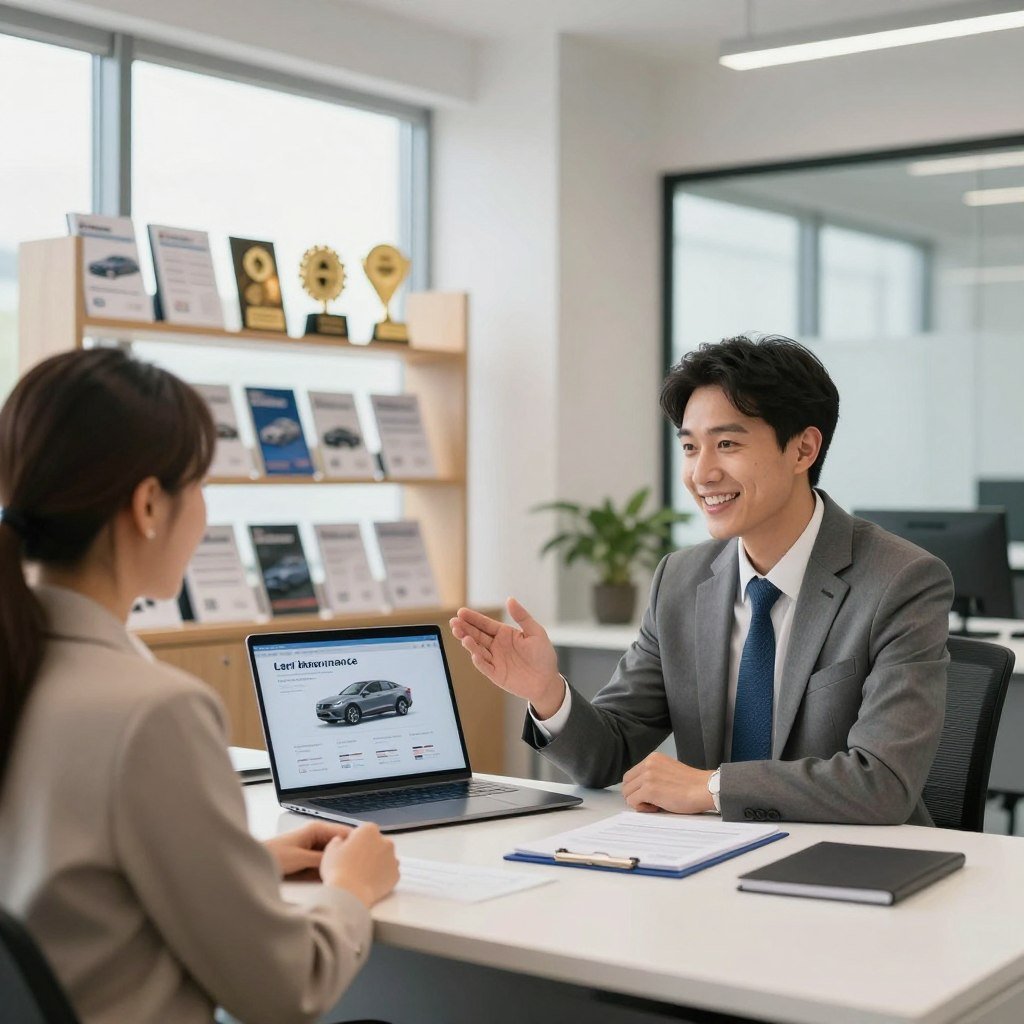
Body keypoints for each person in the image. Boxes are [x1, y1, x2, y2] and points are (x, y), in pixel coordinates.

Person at [0, 348, 399, 1024]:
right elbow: (284, 990)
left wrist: (239, 864)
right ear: (150, 504)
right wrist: (350, 892)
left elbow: (66, 887)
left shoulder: (25, 663)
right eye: (202, 486)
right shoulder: (151, 711)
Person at [452, 334, 954, 826]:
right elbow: (606, 754)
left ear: (803, 450)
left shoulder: (901, 581)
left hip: (853, 869)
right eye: (690, 448)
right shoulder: (681, 578)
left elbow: (882, 783)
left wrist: (710, 787)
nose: (701, 473)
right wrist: (546, 692)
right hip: (708, 866)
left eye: (728, 444)